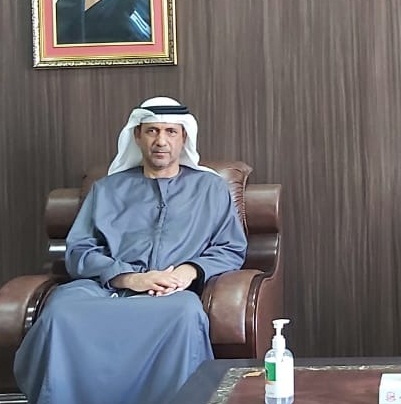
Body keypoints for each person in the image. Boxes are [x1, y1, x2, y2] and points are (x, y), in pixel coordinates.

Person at [13, 97, 247, 404]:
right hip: (104, 288)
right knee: (61, 311)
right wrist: (127, 277)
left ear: (184, 138)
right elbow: (79, 249)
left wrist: (187, 272)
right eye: (152, 131)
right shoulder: (107, 189)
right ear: (137, 136)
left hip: (170, 293)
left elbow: (230, 247)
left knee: (185, 314)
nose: (161, 141)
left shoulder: (210, 189)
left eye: (170, 132)